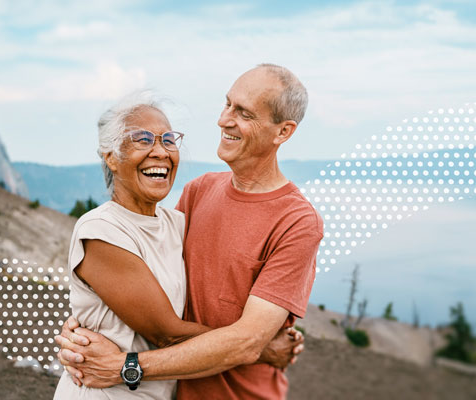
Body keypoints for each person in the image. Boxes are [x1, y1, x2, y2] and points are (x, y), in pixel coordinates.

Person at [57, 64, 323, 399]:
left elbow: (245, 341)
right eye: (227, 104)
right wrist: (79, 329)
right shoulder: (199, 193)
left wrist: (125, 362)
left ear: (282, 132)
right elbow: (158, 317)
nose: (224, 119)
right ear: (110, 156)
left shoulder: (297, 221)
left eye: (243, 112)